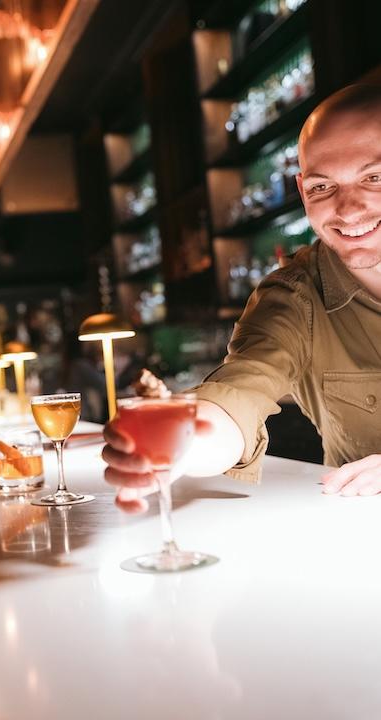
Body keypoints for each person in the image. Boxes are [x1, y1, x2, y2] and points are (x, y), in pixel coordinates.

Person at [102, 83, 381, 512]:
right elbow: (237, 395)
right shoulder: (295, 296)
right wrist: (185, 444)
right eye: (324, 188)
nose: (348, 209)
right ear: (303, 190)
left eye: (373, 178)